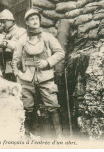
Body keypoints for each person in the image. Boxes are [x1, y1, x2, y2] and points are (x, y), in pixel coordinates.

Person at [12, 9, 65, 138]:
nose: (35, 21)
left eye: (36, 19)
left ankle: (59, 136)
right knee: (27, 107)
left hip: (45, 77)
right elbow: (15, 59)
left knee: (52, 105)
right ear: (27, 22)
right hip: (26, 78)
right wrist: (17, 75)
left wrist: (47, 62)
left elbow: (60, 52)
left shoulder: (47, 37)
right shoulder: (22, 40)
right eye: (31, 19)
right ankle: (26, 134)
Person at [0, 9, 26, 82]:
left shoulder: (21, 31)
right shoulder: (5, 35)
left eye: (4, 22)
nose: (2, 25)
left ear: (11, 21)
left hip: (20, 68)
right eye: (1, 22)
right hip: (8, 70)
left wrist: (7, 43)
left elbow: (21, 46)